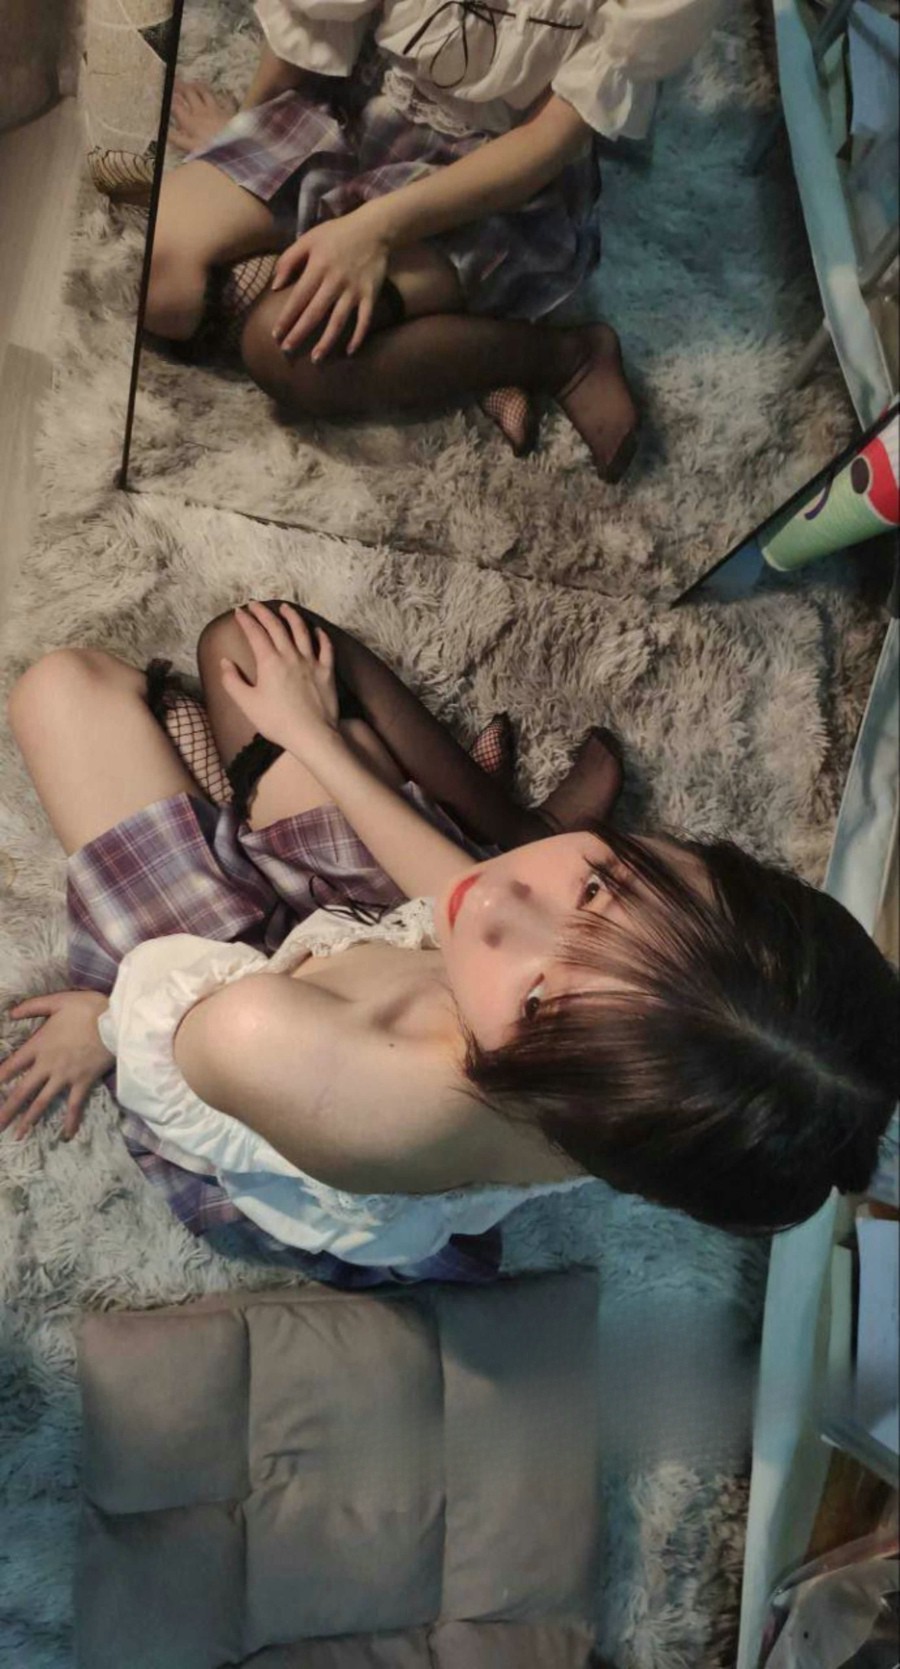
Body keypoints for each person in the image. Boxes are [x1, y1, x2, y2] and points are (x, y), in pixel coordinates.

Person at [3, 602, 898, 1288]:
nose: (499, 898)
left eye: (540, 1000)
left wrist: (112, 1023)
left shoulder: (282, 1047)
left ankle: (437, 817)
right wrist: (311, 733)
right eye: (601, 886)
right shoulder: (646, 1080)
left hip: (233, 1017)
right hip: (361, 956)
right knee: (254, 650)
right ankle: (511, 821)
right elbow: (462, 902)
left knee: (60, 691)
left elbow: (179, 1036)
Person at [145, 0, 721, 474]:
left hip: (487, 174)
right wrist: (244, 132)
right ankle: (445, 344)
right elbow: (317, 14)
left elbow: (549, 140)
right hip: (363, 105)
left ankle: (557, 356)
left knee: (285, 349)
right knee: (162, 288)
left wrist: (373, 232)